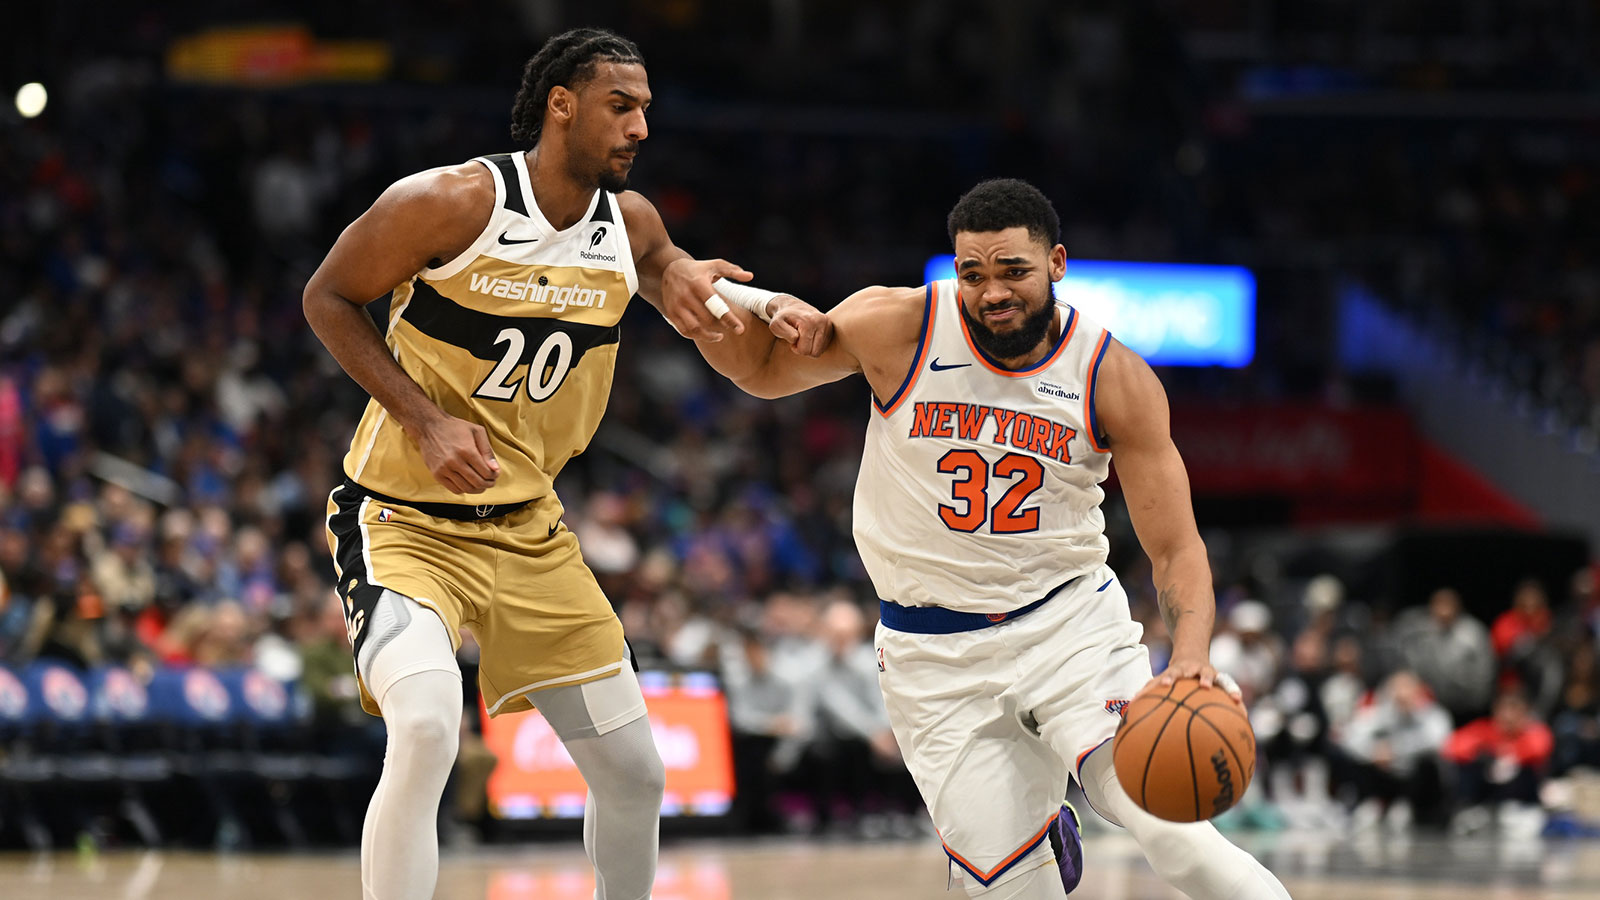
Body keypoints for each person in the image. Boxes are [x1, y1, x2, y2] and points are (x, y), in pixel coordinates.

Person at [302, 28, 826, 900]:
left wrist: (763, 302)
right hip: (404, 523)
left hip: (532, 534)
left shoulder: (630, 221)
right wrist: (424, 420)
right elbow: (326, 296)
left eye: (646, 110)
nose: (640, 128)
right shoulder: (450, 201)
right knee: (427, 730)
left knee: (637, 776)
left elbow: (670, 270)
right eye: (621, 107)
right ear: (561, 105)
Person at [697, 178, 1290, 898]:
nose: (992, 292)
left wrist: (1190, 657)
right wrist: (702, 318)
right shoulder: (899, 326)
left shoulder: (1113, 377)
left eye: (1013, 270)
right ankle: (1041, 835)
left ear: (1057, 263)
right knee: (1011, 890)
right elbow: (762, 370)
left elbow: (1176, 548)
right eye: (973, 274)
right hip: (931, 654)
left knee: (1177, 837)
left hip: (1067, 629)